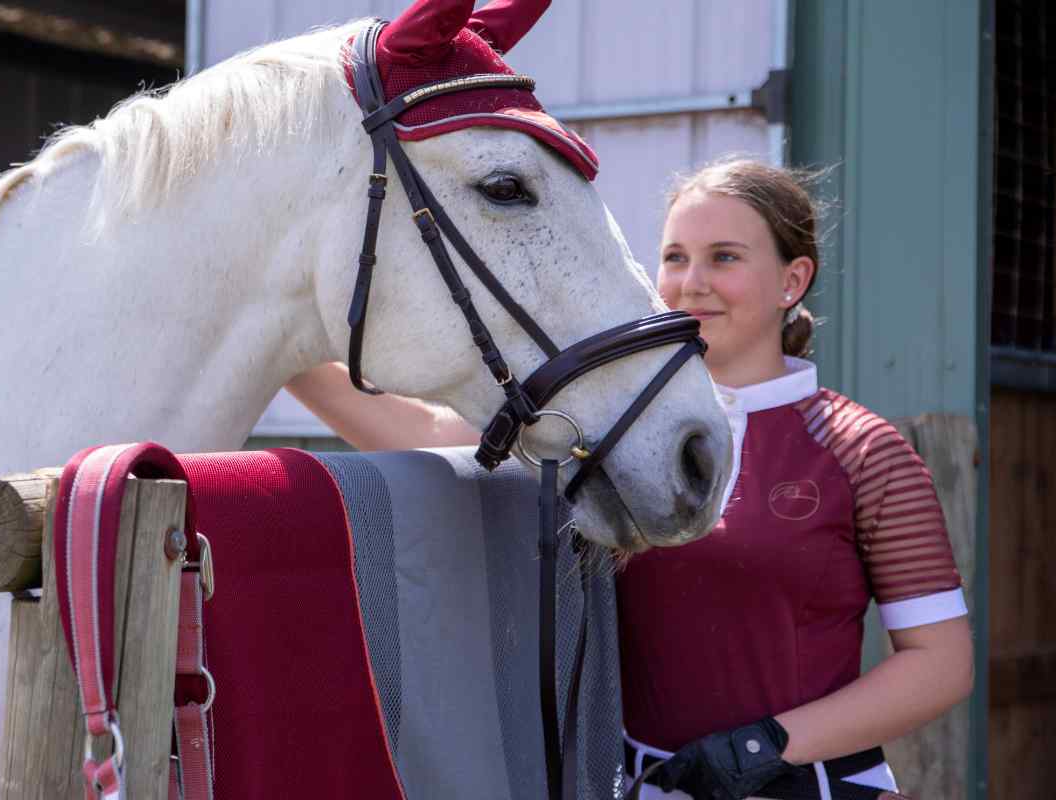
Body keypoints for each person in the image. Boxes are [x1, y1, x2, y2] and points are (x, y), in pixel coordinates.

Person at [286, 157, 973, 800]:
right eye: (675, 258)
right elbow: (434, 435)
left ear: (792, 282)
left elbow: (940, 664)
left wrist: (766, 748)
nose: (690, 283)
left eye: (724, 258)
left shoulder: (860, 448)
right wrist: (283, 356)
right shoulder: (611, 431)